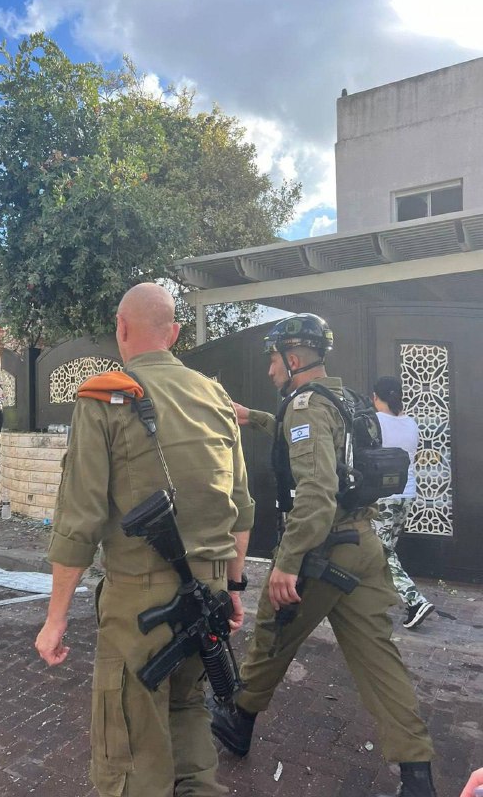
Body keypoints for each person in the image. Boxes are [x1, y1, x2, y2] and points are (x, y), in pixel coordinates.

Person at [35, 282, 254, 797]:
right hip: (211, 592)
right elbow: (242, 506)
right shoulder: (216, 398)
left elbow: (79, 520)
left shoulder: (106, 396)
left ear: (121, 327)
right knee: (187, 712)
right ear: (174, 333)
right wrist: (235, 586)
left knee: (130, 750)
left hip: (140, 601)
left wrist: (55, 618)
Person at [210, 313, 437, 797]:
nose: (271, 368)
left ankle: (238, 721)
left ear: (293, 359)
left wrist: (287, 563)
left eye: (273, 358)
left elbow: (316, 491)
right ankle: (417, 776)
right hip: (365, 547)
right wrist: (253, 417)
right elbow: (325, 448)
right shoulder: (345, 398)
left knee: (273, 633)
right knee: (380, 659)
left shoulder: (306, 406)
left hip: (320, 549)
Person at [372, 376, 435, 630]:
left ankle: (415, 601)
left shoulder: (375, 422)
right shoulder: (411, 423)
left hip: (384, 496)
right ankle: (378, 599)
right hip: (407, 493)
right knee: (386, 551)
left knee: (382, 552)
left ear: (376, 397)